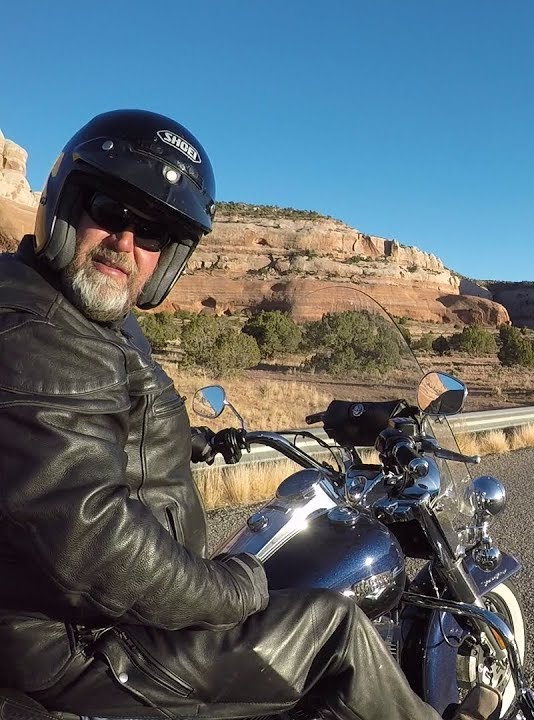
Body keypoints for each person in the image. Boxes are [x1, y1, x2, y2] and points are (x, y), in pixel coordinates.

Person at [0, 110, 497, 720]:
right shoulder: (39, 332)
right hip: (88, 647)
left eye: (153, 233)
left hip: (92, 624)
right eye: (109, 208)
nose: (126, 244)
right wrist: (230, 587)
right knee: (331, 626)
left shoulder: (87, 318)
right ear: (64, 203)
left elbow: (79, 429)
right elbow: (88, 534)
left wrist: (195, 441)